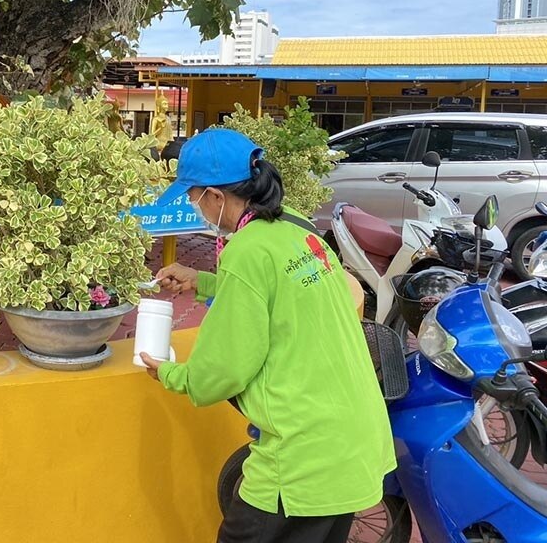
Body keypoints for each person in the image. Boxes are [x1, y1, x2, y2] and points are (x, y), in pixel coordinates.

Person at [141, 128, 394, 543]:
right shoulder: (296, 226)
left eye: (192, 195)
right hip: (355, 442)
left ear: (216, 197)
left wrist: (171, 374)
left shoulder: (247, 250)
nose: (192, 205)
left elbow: (223, 370)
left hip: (300, 457)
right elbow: (277, 293)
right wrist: (202, 281)